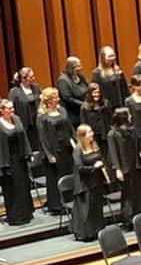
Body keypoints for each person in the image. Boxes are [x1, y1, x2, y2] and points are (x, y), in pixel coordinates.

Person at [106, 106, 141, 228]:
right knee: (128, 194)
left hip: (135, 165)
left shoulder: (132, 130)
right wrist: (118, 169)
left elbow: (138, 148)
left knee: (139, 192)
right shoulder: (112, 134)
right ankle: (128, 219)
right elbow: (113, 153)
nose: (131, 116)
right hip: (124, 168)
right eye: (129, 114)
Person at [36, 86, 74, 216]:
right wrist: (49, 154)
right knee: (55, 177)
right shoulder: (42, 116)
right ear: (49, 100)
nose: (58, 99)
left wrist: (74, 143)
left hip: (66, 149)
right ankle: (57, 204)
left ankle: (69, 199)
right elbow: (42, 137)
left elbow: (69, 128)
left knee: (67, 172)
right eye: (56, 97)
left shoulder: (62, 110)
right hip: (54, 151)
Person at [70, 124, 108, 241]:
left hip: (96, 181)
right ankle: (86, 233)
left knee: (96, 207)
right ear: (82, 136)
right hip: (84, 183)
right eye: (89, 132)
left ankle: (97, 230)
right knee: (87, 209)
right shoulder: (78, 150)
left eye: (91, 131)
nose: (92, 134)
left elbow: (100, 158)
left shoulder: (94, 144)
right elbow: (80, 168)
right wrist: (94, 167)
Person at [0, 97, 33, 226]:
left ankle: (26, 213)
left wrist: (28, 153)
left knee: (23, 186)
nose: (12, 110)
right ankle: (15, 216)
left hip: (20, 159)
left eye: (12, 107)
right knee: (12, 188)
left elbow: (24, 136)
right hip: (7, 162)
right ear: (2, 111)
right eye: (9, 108)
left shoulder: (17, 119)